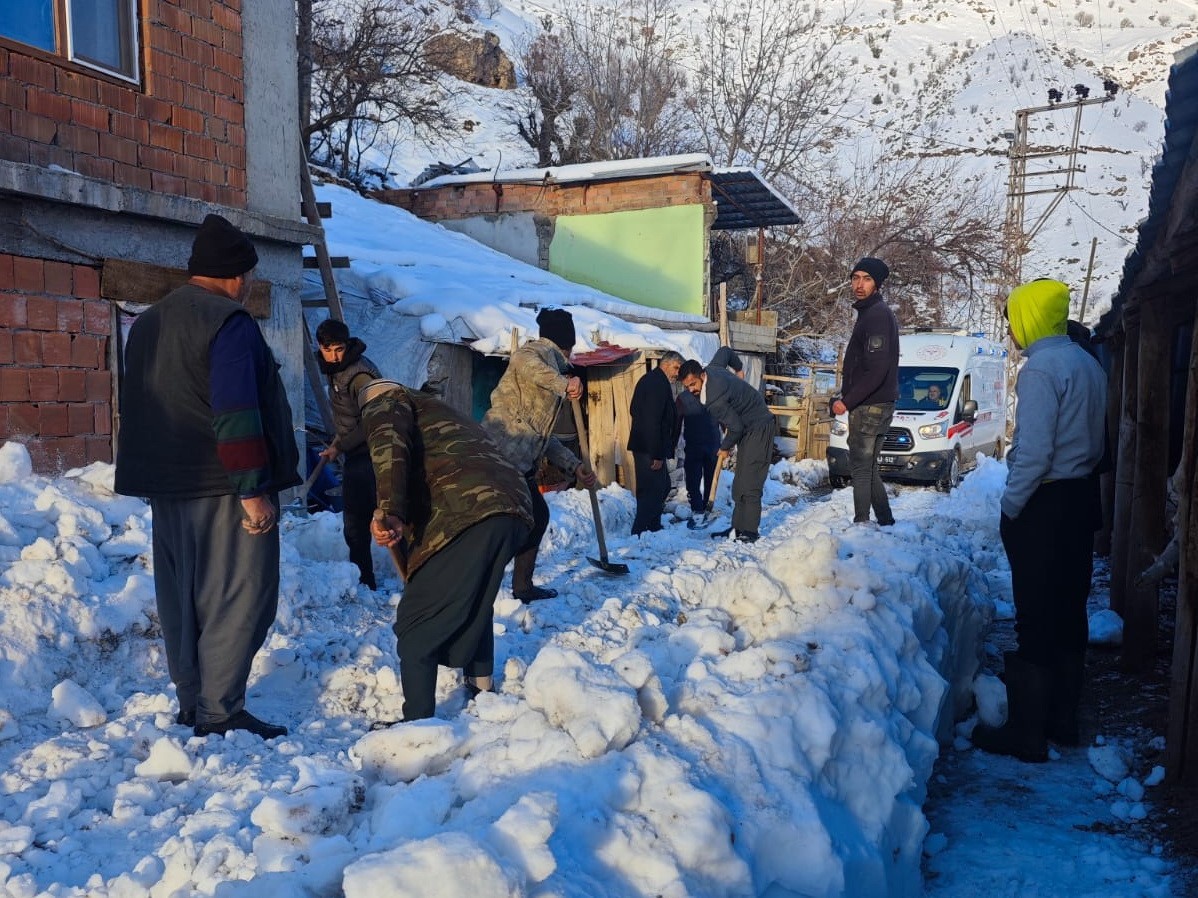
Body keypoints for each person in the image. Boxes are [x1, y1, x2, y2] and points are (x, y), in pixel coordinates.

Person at [114, 214, 300, 740]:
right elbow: (235, 409)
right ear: (237, 275)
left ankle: (192, 701)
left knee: (182, 594)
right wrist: (253, 490)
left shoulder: (148, 323)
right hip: (222, 485)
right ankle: (219, 712)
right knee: (241, 592)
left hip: (166, 486)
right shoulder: (227, 322)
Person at [972, 279, 1106, 762]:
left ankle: (1027, 733)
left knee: (1034, 612)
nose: (1010, 328)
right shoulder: (1087, 363)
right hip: (1082, 499)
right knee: (1069, 607)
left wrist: (1011, 506)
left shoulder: (1040, 369)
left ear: (1029, 316)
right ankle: (1062, 720)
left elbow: (1034, 451)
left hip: (1045, 503)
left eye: (1012, 318)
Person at [356, 378, 534, 722]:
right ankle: (481, 686)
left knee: (416, 622)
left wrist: (389, 510)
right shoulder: (439, 412)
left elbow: (389, 450)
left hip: (468, 508)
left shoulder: (385, 404)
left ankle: (417, 722)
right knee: (473, 598)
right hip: (514, 506)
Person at [483, 307, 597, 602]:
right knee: (505, 524)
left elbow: (543, 437)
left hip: (523, 462)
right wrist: (564, 384)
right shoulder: (534, 353)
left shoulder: (555, 371)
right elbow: (524, 362)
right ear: (566, 346)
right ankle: (478, 579)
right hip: (501, 454)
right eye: (571, 350)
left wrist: (575, 467)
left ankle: (522, 587)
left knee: (539, 516)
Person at [831, 257, 899, 526]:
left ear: (878, 284)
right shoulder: (872, 313)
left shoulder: (877, 315)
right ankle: (885, 520)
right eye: (856, 277)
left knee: (860, 466)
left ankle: (861, 523)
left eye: (867, 279)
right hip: (877, 403)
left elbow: (877, 369)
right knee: (868, 467)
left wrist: (846, 402)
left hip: (869, 405)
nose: (859, 284)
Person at [314, 318, 381, 589]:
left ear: (347, 345)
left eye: (338, 349)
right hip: (357, 454)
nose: (333, 356)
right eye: (327, 350)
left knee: (387, 520)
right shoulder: (337, 370)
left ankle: (413, 581)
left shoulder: (359, 374)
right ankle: (364, 581)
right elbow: (349, 419)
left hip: (376, 455)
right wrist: (337, 445)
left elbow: (374, 419)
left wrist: (341, 445)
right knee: (354, 525)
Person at [678, 358, 776, 542]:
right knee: (740, 483)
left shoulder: (714, 399)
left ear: (702, 375)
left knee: (750, 483)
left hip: (760, 426)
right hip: (748, 429)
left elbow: (735, 427)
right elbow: (725, 352)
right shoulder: (713, 367)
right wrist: (738, 369)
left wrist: (724, 447)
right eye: (687, 386)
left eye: (693, 384)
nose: (691, 390)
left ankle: (750, 532)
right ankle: (737, 528)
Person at [627, 351, 682, 535]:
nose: (677, 373)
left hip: (648, 445)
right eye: (676, 368)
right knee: (651, 490)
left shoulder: (655, 381)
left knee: (662, 486)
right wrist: (656, 454)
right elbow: (652, 420)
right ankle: (640, 530)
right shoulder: (656, 383)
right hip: (648, 448)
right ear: (665, 364)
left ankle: (653, 526)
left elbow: (635, 409)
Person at [676, 387, 721, 515]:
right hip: (694, 446)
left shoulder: (715, 395)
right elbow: (677, 423)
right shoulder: (682, 399)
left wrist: (730, 441)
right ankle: (697, 508)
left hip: (712, 446)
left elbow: (725, 417)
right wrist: (671, 443)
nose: (691, 387)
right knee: (693, 479)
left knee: (711, 479)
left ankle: (707, 507)